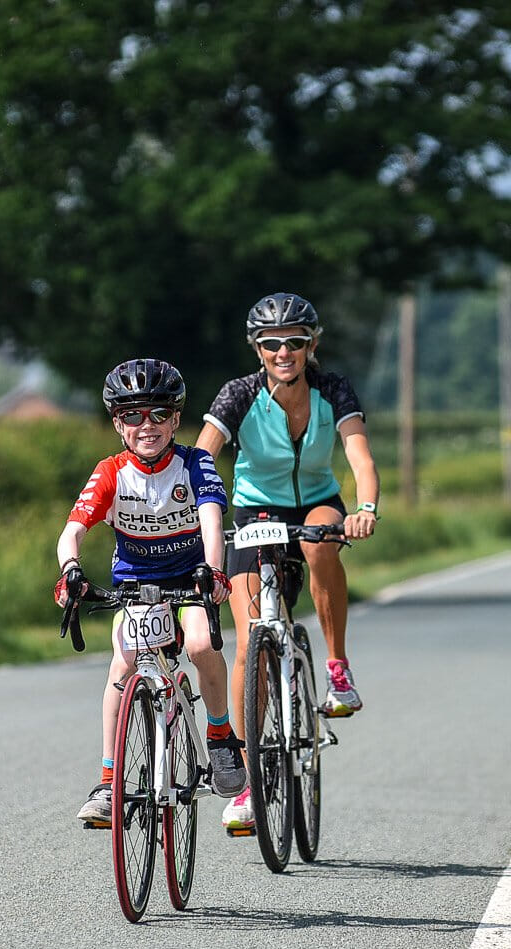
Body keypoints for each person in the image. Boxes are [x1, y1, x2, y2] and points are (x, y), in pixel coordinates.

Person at [194, 292, 380, 833]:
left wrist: (365, 509)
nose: (284, 352)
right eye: (272, 343)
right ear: (257, 348)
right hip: (255, 509)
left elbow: (360, 457)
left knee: (321, 544)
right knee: (249, 642)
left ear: (311, 345)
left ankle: (338, 671)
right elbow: (202, 457)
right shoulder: (239, 394)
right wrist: (196, 510)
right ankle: (248, 782)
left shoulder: (332, 389)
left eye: (295, 342)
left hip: (317, 502)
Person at [56, 358, 243, 828]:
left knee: (200, 645)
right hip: (135, 585)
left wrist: (214, 572)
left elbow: (212, 520)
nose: (148, 425)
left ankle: (220, 735)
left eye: (159, 414)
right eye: (133, 415)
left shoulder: (195, 463)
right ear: (118, 424)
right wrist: (70, 570)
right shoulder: (111, 471)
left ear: (176, 419)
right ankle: (108, 781)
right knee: (122, 666)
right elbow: (72, 531)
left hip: (190, 578)